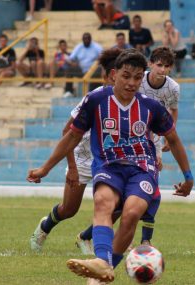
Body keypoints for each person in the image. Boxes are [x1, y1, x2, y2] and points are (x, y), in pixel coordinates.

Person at [27, 49, 193, 283]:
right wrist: (46, 168)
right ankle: (101, 264)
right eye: (126, 76)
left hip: (142, 168)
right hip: (107, 165)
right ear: (114, 75)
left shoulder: (150, 106)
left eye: (137, 78)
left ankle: (103, 267)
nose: (132, 83)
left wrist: (188, 176)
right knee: (99, 203)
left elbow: (173, 139)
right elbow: (71, 135)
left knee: (131, 213)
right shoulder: (95, 99)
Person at [29, 48, 122, 254]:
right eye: (112, 75)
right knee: (69, 209)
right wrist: (71, 166)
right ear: (106, 76)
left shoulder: (131, 100)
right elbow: (67, 131)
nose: (118, 80)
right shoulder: (93, 98)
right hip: (81, 158)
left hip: (108, 161)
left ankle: (85, 237)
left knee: (119, 204)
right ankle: (44, 227)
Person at [64, 33, 103, 97]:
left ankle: (92, 93)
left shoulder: (97, 47)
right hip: (81, 70)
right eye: (85, 39)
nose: (86, 40)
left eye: (88, 38)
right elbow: (70, 58)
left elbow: (103, 56)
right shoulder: (79, 47)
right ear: (82, 39)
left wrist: (99, 59)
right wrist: (72, 63)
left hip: (93, 71)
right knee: (70, 69)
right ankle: (69, 91)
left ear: (91, 39)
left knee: (99, 69)